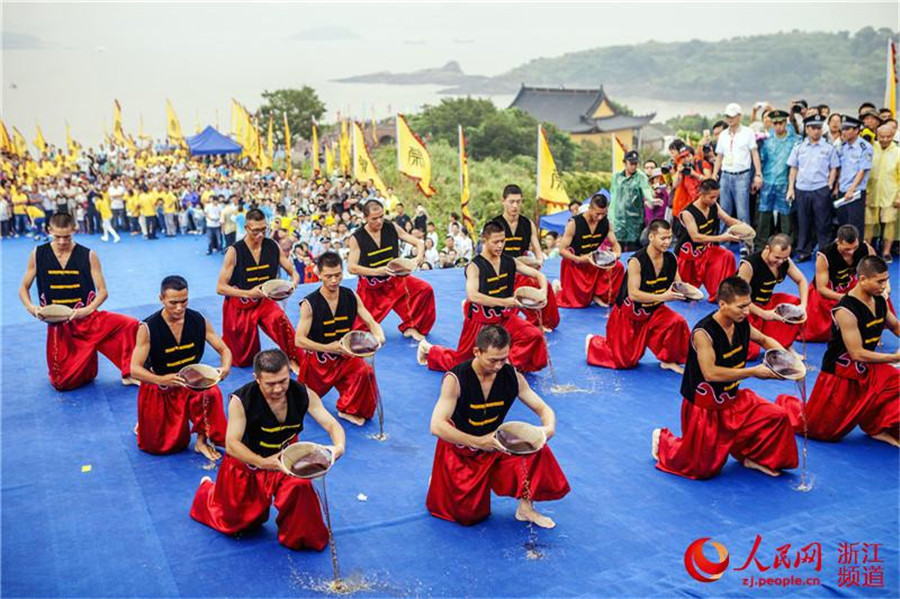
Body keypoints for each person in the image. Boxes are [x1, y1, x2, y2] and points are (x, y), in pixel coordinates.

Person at [190, 349, 346, 551]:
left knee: (300, 487)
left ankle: (299, 535)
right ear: (257, 378)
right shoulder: (240, 401)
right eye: (270, 384)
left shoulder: (303, 393)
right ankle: (208, 490)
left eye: (283, 381)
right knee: (235, 524)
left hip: (286, 459)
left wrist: (338, 447)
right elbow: (232, 444)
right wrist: (264, 463)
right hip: (248, 465)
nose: (279, 388)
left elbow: (332, 425)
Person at [652, 277, 799, 480]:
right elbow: (710, 373)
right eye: (741, 307)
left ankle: (751, 457)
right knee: (702, 470)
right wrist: (753, 372)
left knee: (777, 417)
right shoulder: (703, 333)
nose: (747, 312)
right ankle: (663, 441)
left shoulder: (741, 323)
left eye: (748, 305)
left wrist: (788, 360)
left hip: (733, 398)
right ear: (723, 305)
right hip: (704, 407)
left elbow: (764, 340)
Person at [425, 325, 570, 528]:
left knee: (539, 451)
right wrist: (479, 442)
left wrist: (548, 429)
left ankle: (525, 509)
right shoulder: (455, 379)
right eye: (493, 360)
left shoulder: (512, 377)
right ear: (477, 352)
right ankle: (442, 479)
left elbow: (544, 409)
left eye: (504, 359)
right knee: (469, 517)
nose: (499, 365)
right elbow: (436, 426)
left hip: (496, 446)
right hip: (462, 449)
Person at [776, 256, 899, 446]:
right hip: (842, 374)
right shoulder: (845, 310)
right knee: (820, 430)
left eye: (886, 280)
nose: (885, 286)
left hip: (870, 368)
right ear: (863, 279)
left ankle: (878, 426)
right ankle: (786, 405)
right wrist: (894, 357)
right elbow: (856, 353)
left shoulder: (879, 300)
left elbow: (894, 325)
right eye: (880, 281)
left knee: (896, 383)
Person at [18, 212, 139, 390]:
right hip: (59, 325)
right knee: (62, 383)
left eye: (66, 236)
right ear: (49, 230)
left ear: (75, 229)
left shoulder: (89, 255)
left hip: (87, 318)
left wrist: (88, 310)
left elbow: (103, 291)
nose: (61, 241)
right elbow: (23, 288)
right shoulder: (38, 254)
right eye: (57, 236)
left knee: (130, 324)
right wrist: (32, 309)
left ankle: (129, 372)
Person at [418, 221, 548, 373]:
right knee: (463, 365)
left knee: (534, 335)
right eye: (496, 242)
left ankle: (508, 367)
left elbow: (538, 274)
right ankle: (429, 350)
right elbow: (472, 296)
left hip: (504, 319)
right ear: (484, 241)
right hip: (480, 323)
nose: (500, 246)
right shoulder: (474, 266)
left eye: (502, 241)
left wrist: (542, 292)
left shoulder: (509, 261)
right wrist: (506, 302)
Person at [129, 276, 231, 459]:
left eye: (184, 301)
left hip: (191, 383)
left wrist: (225, 367)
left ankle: (202, 442)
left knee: (212, 393)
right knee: (158, 447)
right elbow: (134, 370)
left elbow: (224, 349)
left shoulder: (198, 320)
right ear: (161, 299)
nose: (179, 308)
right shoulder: (147, 327)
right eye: (173, 302)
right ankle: (145, 423)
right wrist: (161, 379)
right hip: (160, 386)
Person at [586, 219, 689, 373]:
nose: (667, 242)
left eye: (669, 238)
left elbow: (678, 285)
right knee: (624, 362)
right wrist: (664, 297)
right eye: (663, 238)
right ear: (651, 237)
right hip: (628, 314)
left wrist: (689, 293)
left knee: (677, 322)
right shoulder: (636, 261)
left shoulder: (671, 259)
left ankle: (668, 360)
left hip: (653, 310)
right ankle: (593, 343)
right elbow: (634, 294)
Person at [295, 252, 385, 426]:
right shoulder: (309, 304)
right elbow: (299, 340)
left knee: (366, 372)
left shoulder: (350, 295)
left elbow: (370, 320)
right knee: (301, 402)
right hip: (318, 362)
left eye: (338, 275)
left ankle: (349, 409)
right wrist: (330, 348)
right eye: (328, 276)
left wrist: (379, 337)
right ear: (319, 274)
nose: (334, 280)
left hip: (346, 357)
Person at [216, 208, 302, 370]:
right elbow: (220, 287)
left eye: (264, 229)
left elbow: (293, 272)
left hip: (264, 300)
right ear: (246, 228)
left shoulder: (273, 246)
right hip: (239, 304)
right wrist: (248, 293)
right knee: (242, 360)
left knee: (280, 321)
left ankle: (292, 357)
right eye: (256, 231)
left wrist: (293, 283)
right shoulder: (234, 251)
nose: (261, 234)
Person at [347, 199, 435, 342]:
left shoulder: (391, 227)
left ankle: (412, 326)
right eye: (374, 218)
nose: (379, 221)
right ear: (365, 218)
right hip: (371, 288)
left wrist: (418, 257)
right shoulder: (357, 238)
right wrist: (378, 271)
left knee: (425, 290)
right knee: (360, 333)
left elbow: (418, 242)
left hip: (395, 281)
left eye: (381, 216)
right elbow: (352, 267)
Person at [490, 184, 560, 331]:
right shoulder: (494, 225)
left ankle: (545, 320)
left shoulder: (527, 223)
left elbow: (536, 246)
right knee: (522, 289)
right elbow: (490, 253)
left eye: (518, 201)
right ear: (503, 201)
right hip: (501, 269)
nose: (515, 206)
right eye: (511, 202)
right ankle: (532, 321)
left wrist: (540, 259)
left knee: (543, 285)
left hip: (523, 268)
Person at [737, 234, 808, 360]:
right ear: (767, 248)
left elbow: (801, 280)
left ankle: (785, 345)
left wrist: (803, 306)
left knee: (794, 304)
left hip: (767, 304)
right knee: (750, 354)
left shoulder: (784, 260)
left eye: (784, 258)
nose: (780, 262)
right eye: (777, 257)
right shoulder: (749, 265)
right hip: (746, 308)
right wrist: (763, 313)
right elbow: (738, 298)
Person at [804, 225, 876, 342]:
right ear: (838, 242)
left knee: (879, 294)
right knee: (819, 334)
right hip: (828, 292)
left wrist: (882, 288)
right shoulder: (824, 255)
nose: (852, 252)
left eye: (855, 247)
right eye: (847, 249)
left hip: (850, 286)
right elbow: (821, 289)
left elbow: (876, 272)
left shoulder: (865, 248)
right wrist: (847, 298)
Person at [555, 191, 625, 308]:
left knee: (618, 267)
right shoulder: (574, 223)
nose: (600, 217)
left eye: (603, 213)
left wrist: (616, 254)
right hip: (575, 263)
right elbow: (562, 250)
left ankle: (598, 294)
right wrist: (578, 259)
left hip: (594, 260)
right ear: (590, 208)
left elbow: (615, 244)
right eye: (597, 213)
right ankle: (558, 288)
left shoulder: (606, 223)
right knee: (579, 303)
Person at [675, 179, 741, 302]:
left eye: (716, 197)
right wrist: (722, 238)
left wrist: (743, 227)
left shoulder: (714, 206)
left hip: (707, 250)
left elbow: (727, 219)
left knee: (727, 256)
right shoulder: (688, 213)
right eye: (712, 197)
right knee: (683, 295)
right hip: (689, 256)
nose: (715, 200)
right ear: (701, 194)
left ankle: (721, 294)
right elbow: (696, 237)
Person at [787, 114, 840, 262]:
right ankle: (804, 251)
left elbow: (834, 168)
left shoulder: (828, 148)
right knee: (803, 222)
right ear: (807, 129)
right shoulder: (799, 147)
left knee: (823, 223)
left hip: (820, 188)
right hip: (802, 188)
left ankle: (825, 252)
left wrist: (829, 184)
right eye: (812, 128)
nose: (816, 131)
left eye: (818, 128)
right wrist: (791, 188)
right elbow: (793, 168)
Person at [712, 103, 763, 254]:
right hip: (726, 175)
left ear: (740, 116)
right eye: (728, 116)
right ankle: (723, 245)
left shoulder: (748, 132)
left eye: (733, 116)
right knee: (724, 211)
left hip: (742, 175)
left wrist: (758, 174)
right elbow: (719, 156)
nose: (730, 119)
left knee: (742, 213)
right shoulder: (723, 134)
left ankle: (746, 246)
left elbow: (755, 154)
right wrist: (715, 174)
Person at [756, 110, 797, 244]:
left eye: (780, 122)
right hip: (768, 181)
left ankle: (786, 245)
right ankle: (762, 245)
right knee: (764, 214)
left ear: (785, 123)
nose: (778, 126)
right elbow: (761, 160)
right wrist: (757, 177)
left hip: (784, 182)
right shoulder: (767, 141)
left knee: (786, 216)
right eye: (775, 123)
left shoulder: (793, 141)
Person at [866, 123, 900, 263]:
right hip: (871, 193)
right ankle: (868, 251)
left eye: (889, 136)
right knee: (868, 224)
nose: (885, 139)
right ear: (877, 134)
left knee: (890, 224)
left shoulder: (898, 152)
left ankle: (886, 252)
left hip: (891, 193)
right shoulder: (869, 149)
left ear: (893, 135)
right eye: (882, 136)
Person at [834, 115, 873, 235]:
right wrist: (837, 187)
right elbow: (840, 169)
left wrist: (851, 190)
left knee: (854, 226)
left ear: (856, 130)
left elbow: (862, 171)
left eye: (847, 129)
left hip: (855, 192)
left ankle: (857, 252)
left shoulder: (864, 147)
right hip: (843, 189)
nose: (844, 132)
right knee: (843, 223)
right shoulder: (843, 146)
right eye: (843, 129)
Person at [611, 150, 656, 251]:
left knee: (635, 251)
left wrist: (652, 199)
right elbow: (613, 197)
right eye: (631, 164)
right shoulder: (616, 177)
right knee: (617, 249)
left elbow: (646, 190)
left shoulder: (641, 177)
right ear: (625, 163)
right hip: (618, 221)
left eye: (636, 164)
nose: (634, 166)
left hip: (634, 222)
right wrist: (610, 217)